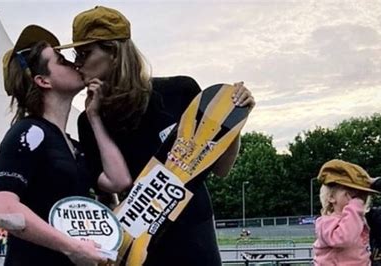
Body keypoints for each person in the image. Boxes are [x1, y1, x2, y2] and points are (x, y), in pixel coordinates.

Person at [57, 6, 255, 266]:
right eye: (75, 54)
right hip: (140, 241)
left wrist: (233, 120)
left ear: (114, 53)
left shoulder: (179, 91)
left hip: (194, 233)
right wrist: (95, 118)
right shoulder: (89, 121)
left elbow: (221, 168)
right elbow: (108, 192)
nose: (77, 63)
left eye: (84, 53)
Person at [0, 24, 132, 266]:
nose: (75, 64)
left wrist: (94, 117)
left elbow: (118, 181)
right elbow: (1, 207)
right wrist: (73, 248)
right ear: (43, 80)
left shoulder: (72, 145)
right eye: (62, 61)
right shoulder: (29, 132)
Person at [313, 159, 378, 266]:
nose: (358, 200)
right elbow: (342, 239)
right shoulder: (325, 222)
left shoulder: (357, 219)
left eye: (362, 196)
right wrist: (355, 206)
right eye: (351, 195)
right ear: (331, 197)